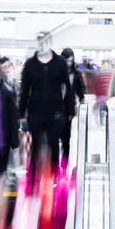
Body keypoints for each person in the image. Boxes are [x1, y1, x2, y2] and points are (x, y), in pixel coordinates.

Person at [20, 32, 74, 180]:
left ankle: (54, 176)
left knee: (54, 145)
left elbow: (68, 87)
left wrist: (69, 109)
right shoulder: (30, 64)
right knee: (35, 146)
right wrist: (21, 112)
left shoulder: (60, 62)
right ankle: (34, 179)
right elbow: (25, 89)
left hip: (55, 111)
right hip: (35, 111)